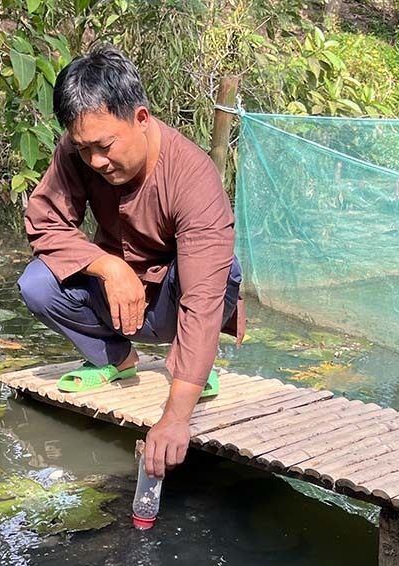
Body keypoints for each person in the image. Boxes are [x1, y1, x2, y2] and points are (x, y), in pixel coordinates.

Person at [19, 46, 244, 479]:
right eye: (84, 150)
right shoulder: (78, 149)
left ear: (141, 118)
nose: (95, 162)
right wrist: (109, 267)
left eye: (104, 147)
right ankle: (117, 358)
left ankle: (194, 369)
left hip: (174, 308)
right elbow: (44, 223)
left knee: (224, 271)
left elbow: (201, 301)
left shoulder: (193, 178)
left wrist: (176, 416)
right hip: (116, 302)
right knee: (37, 283)